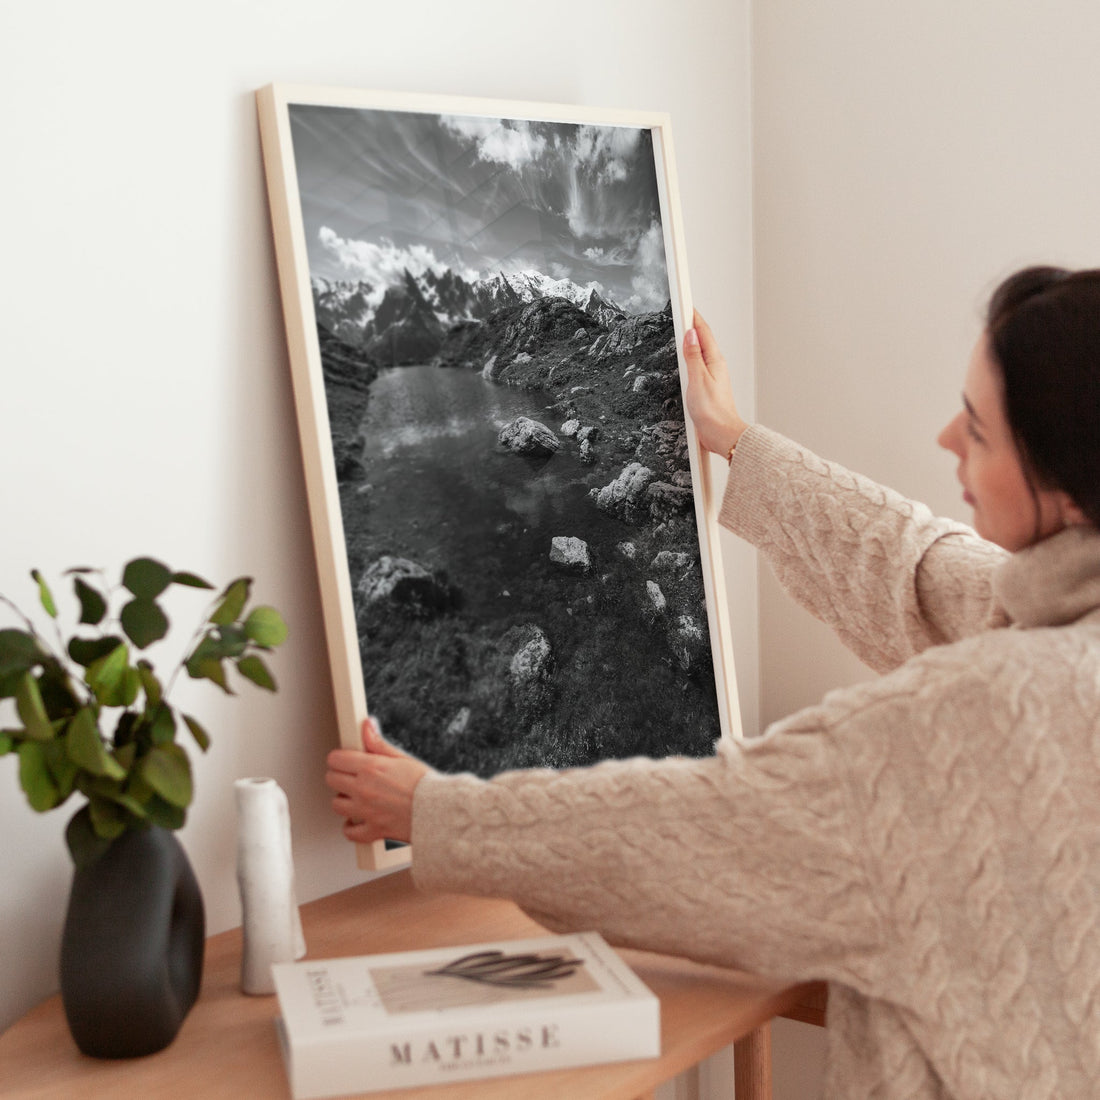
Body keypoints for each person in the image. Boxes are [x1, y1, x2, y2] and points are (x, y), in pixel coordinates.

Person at [325, 266, 1100, 1099]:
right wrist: (734, 439)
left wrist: (435, 813)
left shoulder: (978, 717)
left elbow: (706, 826)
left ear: (1065, 487)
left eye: (979, 432)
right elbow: (918, 568)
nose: (947, 438)